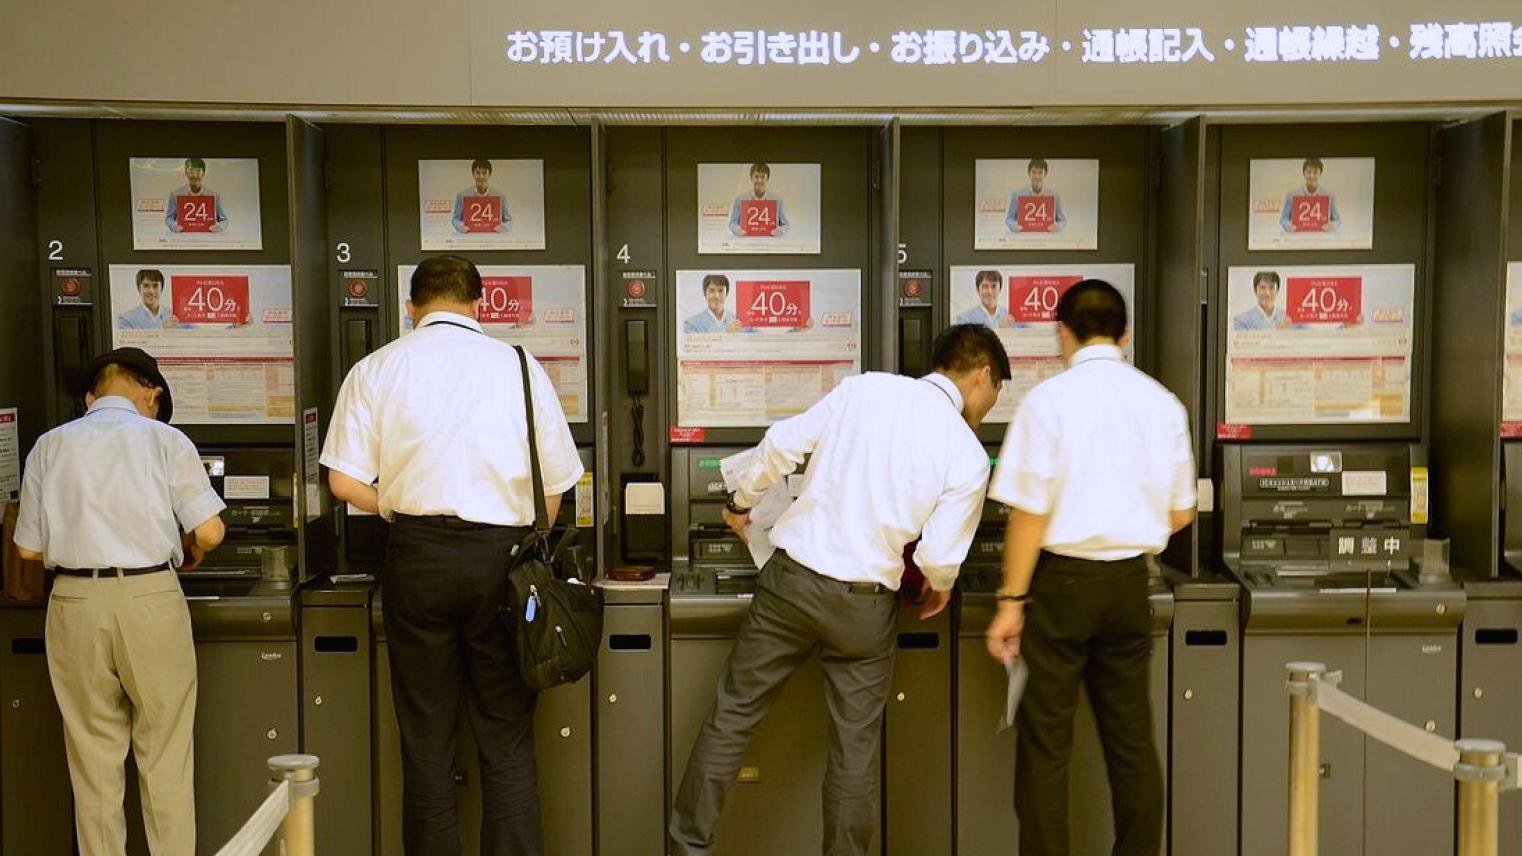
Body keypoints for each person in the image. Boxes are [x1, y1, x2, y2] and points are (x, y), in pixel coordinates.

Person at [669, 324, 1009, 856]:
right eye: (995, 394)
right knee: (854, 751)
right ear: (982, 375)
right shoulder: (966, 454)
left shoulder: (865, 388)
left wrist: (741, 504)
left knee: (732, 717)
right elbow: (939, 559)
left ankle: (686, 847)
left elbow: (782, 444)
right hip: (865, 607)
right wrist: (939, 585)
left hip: (792, 585)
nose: (990, 407)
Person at [321, 255, 581, 855]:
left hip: (417, 559)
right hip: (502, 563)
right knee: (507, 740)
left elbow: (340, 481)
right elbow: (557, 488)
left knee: (426, 743)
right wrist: (522, 543)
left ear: (410, 307)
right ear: (479, 304)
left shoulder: (377, 367)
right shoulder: (519, 366)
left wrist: (394, 506)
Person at [984, 280, 1195, 856]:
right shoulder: (1163, 403)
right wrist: (1126, 520)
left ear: (1064, 333)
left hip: (1060, 586)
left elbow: (1029, 515)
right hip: (1130, 583)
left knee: (1047, 749)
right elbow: (1181, 511)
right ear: (1123, 335)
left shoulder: (1048, 402)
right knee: (1131, 746)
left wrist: (1009, 602)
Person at [12, 347, 226, 856]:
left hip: (73, 601)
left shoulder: (49, 445)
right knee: (165, 755)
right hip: (150, 596)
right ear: (151, 393)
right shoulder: (165, 439)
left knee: (93, 761)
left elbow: (27, 548)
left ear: (91, 396)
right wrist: (191, 548)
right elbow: (212, 531)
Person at [164, 157, 228, 233]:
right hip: (183, 238)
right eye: (191, 171)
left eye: (198, 171)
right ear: (186, 172)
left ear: (203, 173)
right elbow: (169, 218)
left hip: (208, 239)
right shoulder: (175, 194)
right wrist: (173, 226)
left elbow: (224, 220)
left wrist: (219, 227)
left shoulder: (214, 195)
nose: (194, 175)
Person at [1278, 157, 1341, 233]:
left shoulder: (1329, 195)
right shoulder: (1292, 195)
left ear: (1320, 173)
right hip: (1298, 237)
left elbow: (1337, 219)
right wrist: (1288, 226)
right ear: (1304, 173)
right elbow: (1283, 219)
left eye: (1315, 172)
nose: (1312, 176)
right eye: (1309, 172)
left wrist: (1332, 226)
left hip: (1322, 238)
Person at [451, 158, 513, 234]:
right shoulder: (462, 195)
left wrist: (504, 227)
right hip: (470, 238)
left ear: (489, 174)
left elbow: (509, 220)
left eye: (484, 173)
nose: (481, 176)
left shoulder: (500, 196)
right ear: (473, 174)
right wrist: (460, 226)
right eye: (478, 172)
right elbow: (455, 219)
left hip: (493, 238)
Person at [1005, 158, 1067, 233]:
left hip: (1048, 239)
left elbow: (1063, 220)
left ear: (1045, 174)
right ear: (1029, 173)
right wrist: (1014, 225)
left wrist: (1057, 226)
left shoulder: (1055, 196)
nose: (1037, 176)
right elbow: (1009, 219)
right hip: (1023, 238)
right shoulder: (1017, 195)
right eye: (1034, 172)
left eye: (1040, 172)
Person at [728, 162, 790, 237]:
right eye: (756, 177)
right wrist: (737, 230)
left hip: (770, 242)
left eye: (762, 177)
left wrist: (781, 230)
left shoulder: (777, 200)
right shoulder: (740, 199)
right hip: (746, 241)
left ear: (767, 178)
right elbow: (732, 223)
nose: (759, 180)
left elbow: (785, 224)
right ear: (751, 178)